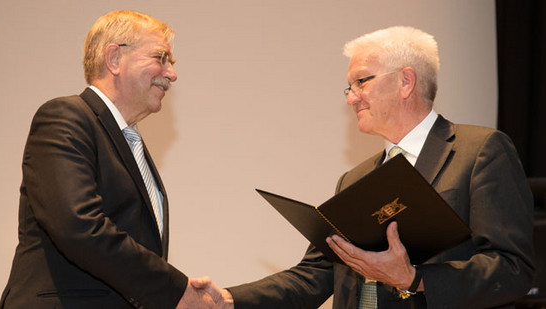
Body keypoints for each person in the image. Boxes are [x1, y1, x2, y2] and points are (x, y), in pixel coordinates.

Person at [204, 26, 536, 308]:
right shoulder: (355, 179)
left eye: (362, 82)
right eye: (350, 87)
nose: (351, 98)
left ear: (406, 82)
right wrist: (228, 299)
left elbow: (512, 270)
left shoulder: (480, 152)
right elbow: (315, 275)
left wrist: (415, 279)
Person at [0, 10, 216, 309]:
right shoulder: (66, 116)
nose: (172, 74)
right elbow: (80, 227)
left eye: (172, 63)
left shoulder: (130, 142)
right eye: (161, 58)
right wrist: (174, 290)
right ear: (114, 58)